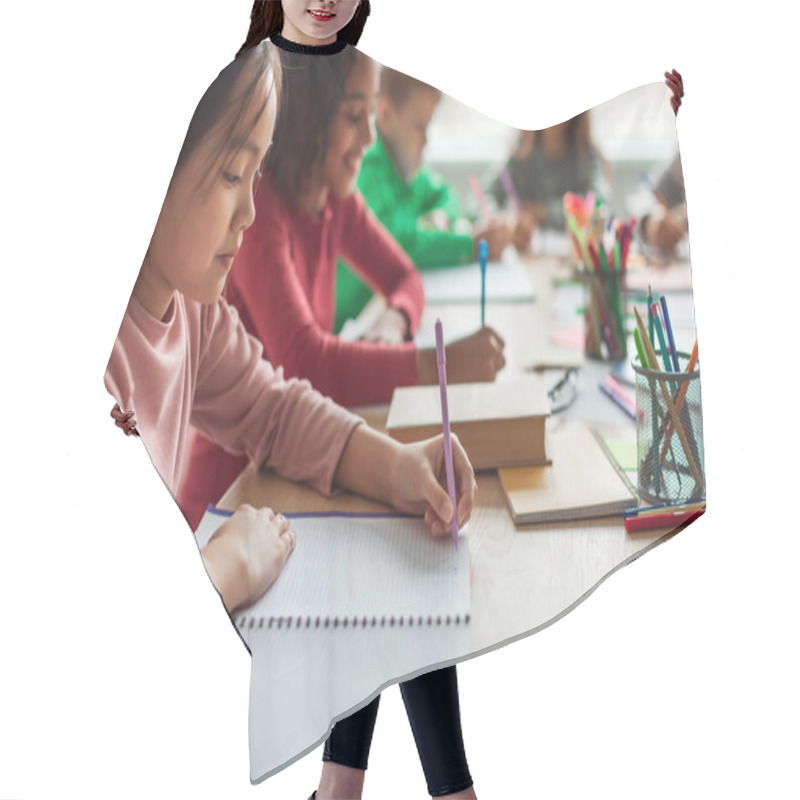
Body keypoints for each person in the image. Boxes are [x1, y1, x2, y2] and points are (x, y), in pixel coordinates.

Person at [104, 39, 477, 622]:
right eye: (232, 174)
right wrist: (220, 572)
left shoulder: (196, 312)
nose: (250, 213)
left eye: (255, 175)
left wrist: (397, 466)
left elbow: (276, 411)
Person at [334, 65, 510, 328]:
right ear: (385, 114)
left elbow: (446, 195)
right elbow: (398, 244)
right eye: (419, 127)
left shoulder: (407, 170)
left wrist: (439, 216)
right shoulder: (367, 167)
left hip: (381, 317)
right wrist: (469, 246)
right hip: (347, 328)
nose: (426, 140)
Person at [491, 112, 610, 251]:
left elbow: (599, 205)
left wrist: (543, 211)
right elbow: (481, 199)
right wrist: (505, 223)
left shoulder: (585, 156)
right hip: (528, 258)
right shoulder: (519, 154)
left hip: (573, 256)